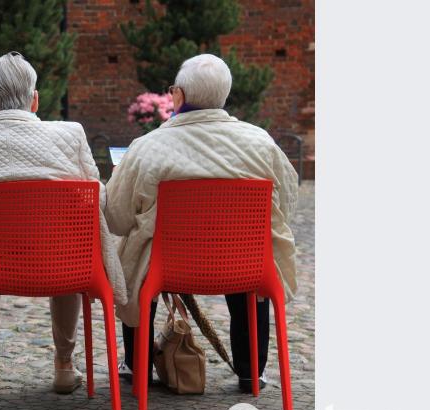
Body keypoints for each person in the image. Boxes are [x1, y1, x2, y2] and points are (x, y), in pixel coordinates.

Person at [0, 52, 128, 395]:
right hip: (64, 264)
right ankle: (65, 365)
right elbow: (95, 196)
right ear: (35, 99)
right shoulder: (71, 136)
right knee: (70, 248)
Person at [105, 54, 298, 392]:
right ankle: (252, 372)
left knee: (131, 251)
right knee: (250, 253)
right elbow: (287, 204)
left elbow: (117, 218)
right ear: (225, 96)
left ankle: (137, 366)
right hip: (244, 263)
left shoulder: (147, 148)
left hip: (165, 266)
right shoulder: (261, 144)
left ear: (176, 95)